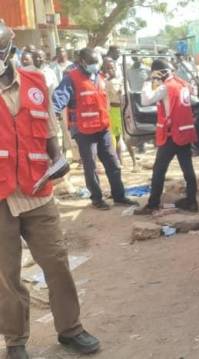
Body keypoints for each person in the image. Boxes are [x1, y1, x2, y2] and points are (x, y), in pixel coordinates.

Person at [0, 22, 100, 359]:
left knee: (56, 263)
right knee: (6, 275)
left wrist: (60, 159)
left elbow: (50, 134)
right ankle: (15, 342)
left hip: (37, 191)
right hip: (0, 197)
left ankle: (70, 329)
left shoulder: (35, 81)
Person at [52, 48, 138, 210]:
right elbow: (58, 99)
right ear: (82, 62)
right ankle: (97, 199)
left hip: (102, 127)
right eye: (92, 63)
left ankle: (119, 196)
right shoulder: (71, 79)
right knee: (91, 166)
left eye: (96, 63)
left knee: (113, 163)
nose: (95, 66)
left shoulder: (99, 77)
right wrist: (53, 111)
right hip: (84, 130)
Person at [135, 59, 199, 214]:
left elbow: (145, 100)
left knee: (159, 171)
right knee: (188, 170)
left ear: (159, 72)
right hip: (184, 133)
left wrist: (148, 81)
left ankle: (153, 204)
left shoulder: (165, 87)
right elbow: (193, 98)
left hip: (171, 135)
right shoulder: (182, 84)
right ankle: (192, 201)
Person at [102, 57, 136, 169]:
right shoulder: (105, 83)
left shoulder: (122, 80)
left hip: (123, 110)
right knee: (115, 138)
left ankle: (134, 162)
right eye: (108, 68)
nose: (110, 70)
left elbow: (127, 94)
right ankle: (119, 162)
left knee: (127, 138)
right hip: (112, 111)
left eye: (112, 68)